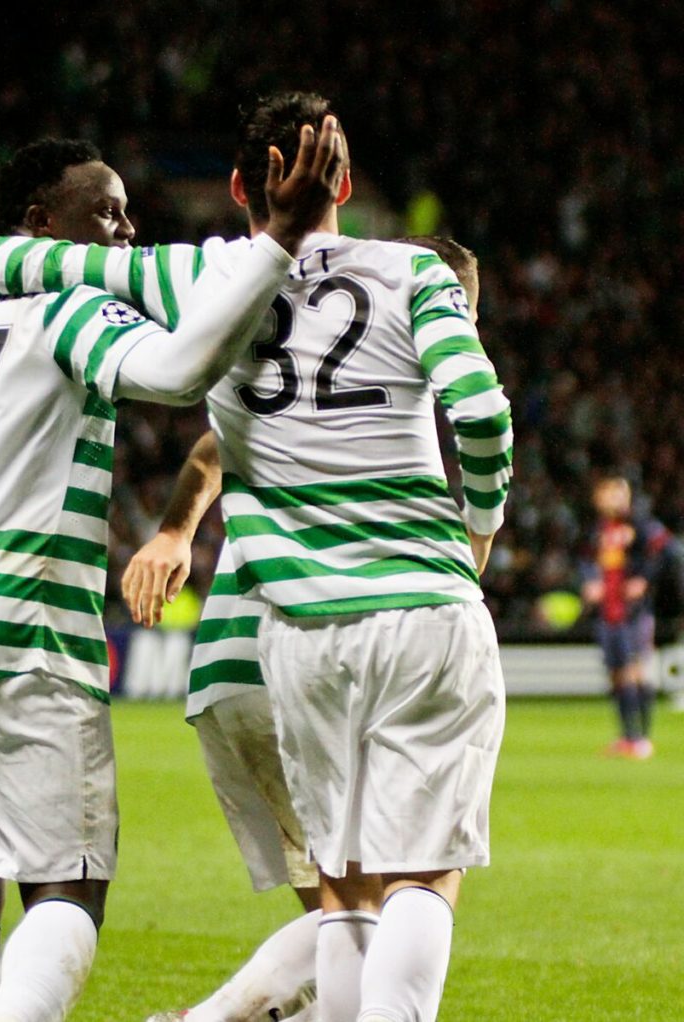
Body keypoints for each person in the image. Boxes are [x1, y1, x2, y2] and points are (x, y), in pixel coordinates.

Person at [0, 91, 512, 1022]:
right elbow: (483, 413)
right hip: (422, 609)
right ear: (345, 184)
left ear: (237, 187)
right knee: (423, 877)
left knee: (344, 892)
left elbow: (48, 260)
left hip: (298, 637)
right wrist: (479, 528)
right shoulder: (413, 271)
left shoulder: (194, 275)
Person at [0, 122, 344, 1022]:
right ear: (41, 223)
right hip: (28, 635)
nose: (126, 232)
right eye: (106, 214)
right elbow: (180, 375)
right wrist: (274, 255)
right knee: (68, 889)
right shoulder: (71, 310)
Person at [117, 236, 483, 1022]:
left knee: (347, 903)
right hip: (307, 648)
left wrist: (175, 531)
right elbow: (485, 420)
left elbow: (211, 448)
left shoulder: (291, 381)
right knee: (390, 891)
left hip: (231, 673)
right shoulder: (390, 395)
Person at [580, 475, 670, 759]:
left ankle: (641, 739)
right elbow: (585, 560)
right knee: (617, 675)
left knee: (635, 671)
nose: (613, 499)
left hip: (633, 612)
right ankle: (627, 737)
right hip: (608, 613)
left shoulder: (640, 525)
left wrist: (644, 579)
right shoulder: (597, 531)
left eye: (618, 493)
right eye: (608, 493)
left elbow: (666, 552)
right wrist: (590, 581)